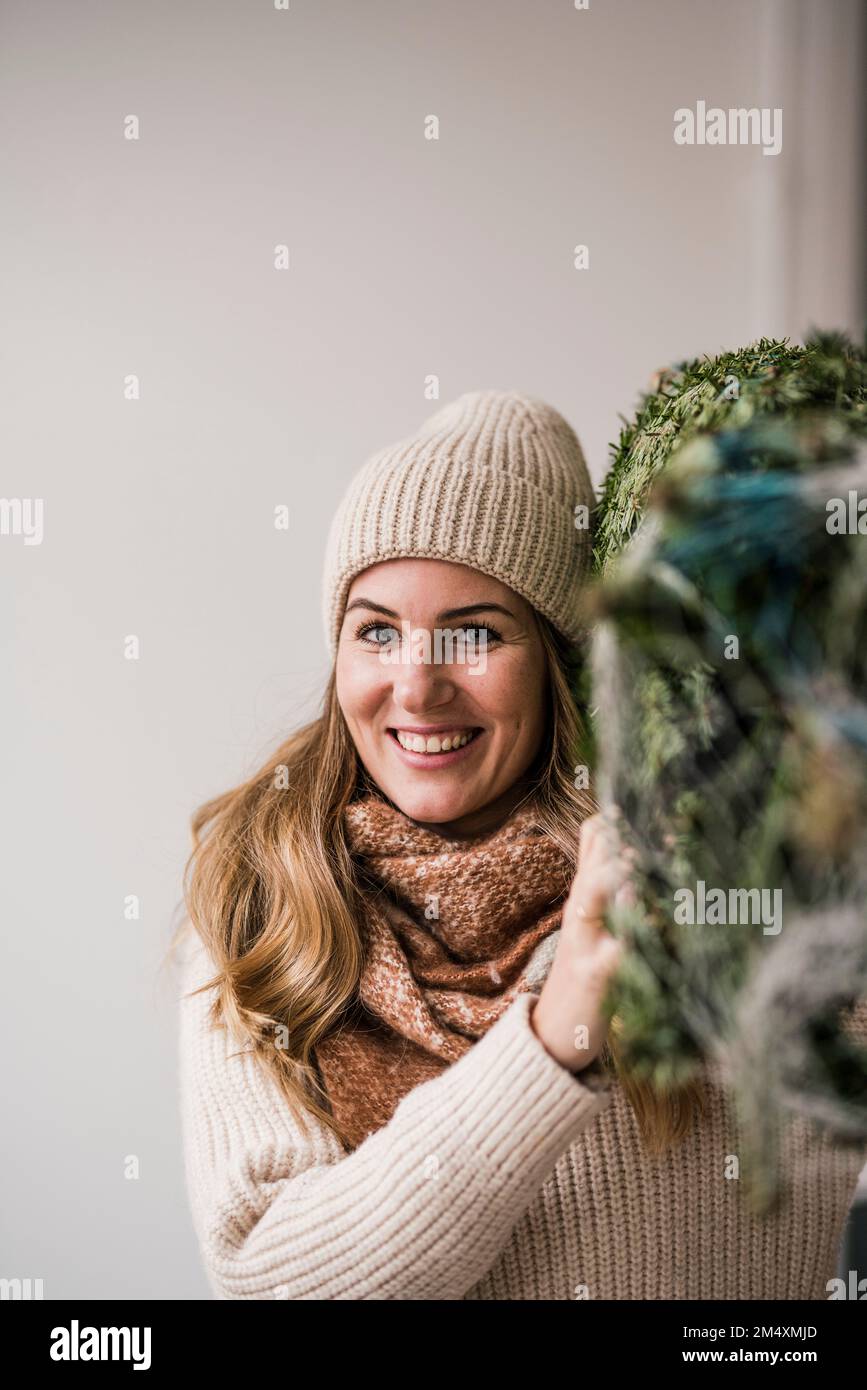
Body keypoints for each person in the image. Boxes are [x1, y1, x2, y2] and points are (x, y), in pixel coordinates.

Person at [173, 389, 867, 1300]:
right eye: (375, 630)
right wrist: (552, 1035)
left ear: (555, 661)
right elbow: (269, 1281)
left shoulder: (715, 877)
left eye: (473, 634)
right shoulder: (261, 905)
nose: (415, 687)